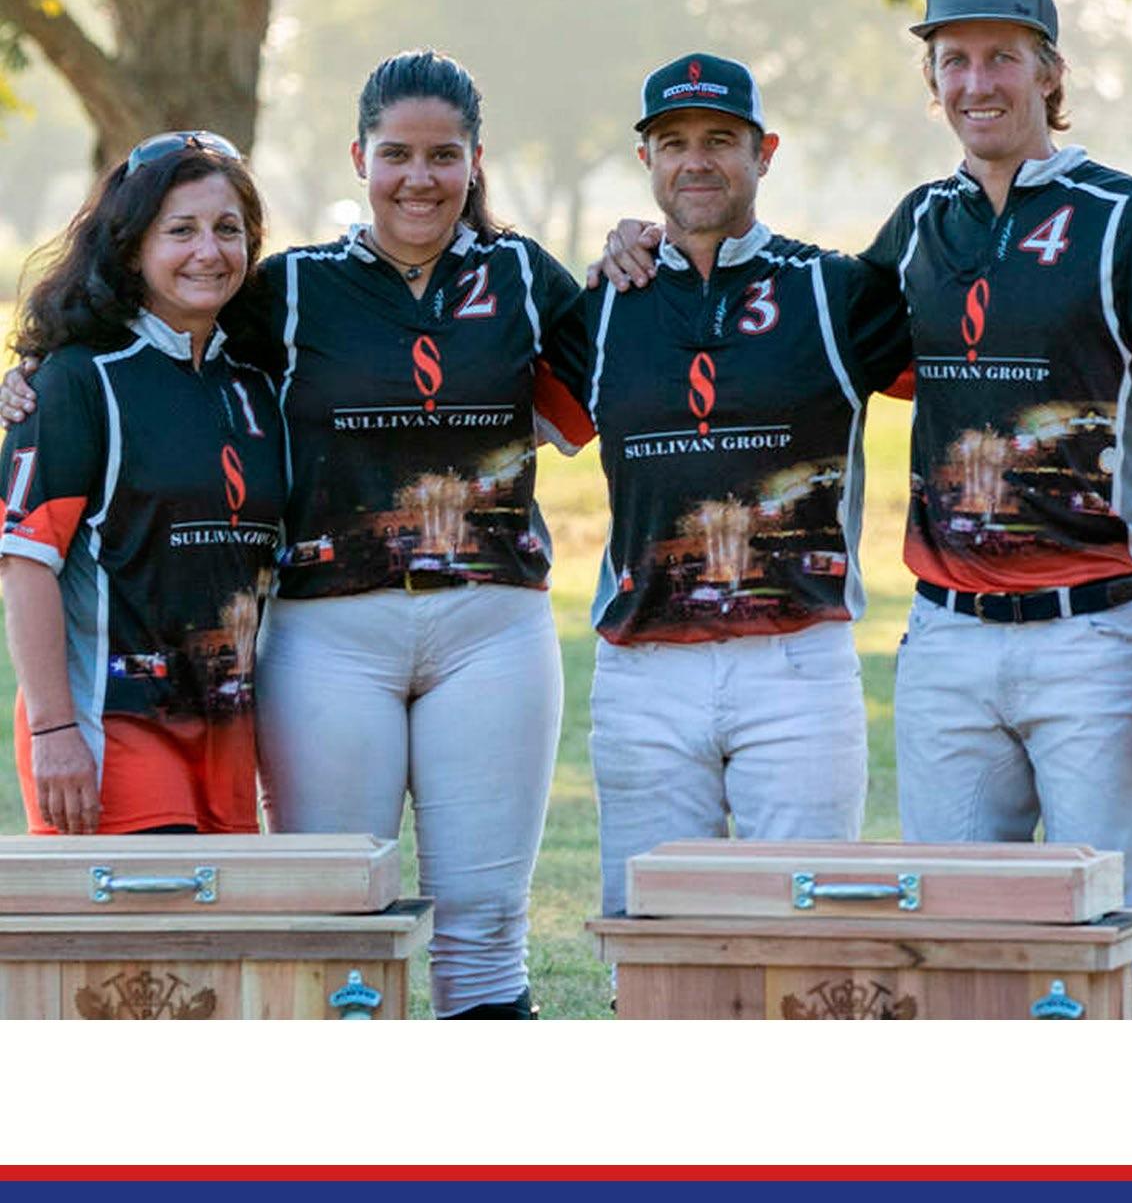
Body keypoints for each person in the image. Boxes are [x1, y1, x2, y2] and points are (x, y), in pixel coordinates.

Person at [3, 54, 592, 1019]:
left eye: (443, 155)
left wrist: (633, 253)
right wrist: (34, 377)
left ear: (476, 162)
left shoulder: (523, 276)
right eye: (396, 153)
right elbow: (137, 351)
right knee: (322, 923)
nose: (418, 177)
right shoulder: (286, 292)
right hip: (314, 644)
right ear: (359, 157)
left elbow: (639, 381)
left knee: (482, 924)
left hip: (481, 633)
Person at [860, 0, 1132, 1018]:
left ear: (1051, 72)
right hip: (945, 638)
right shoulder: (918, 224)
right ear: (932, 81)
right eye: (953, 60)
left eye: (1002, 57)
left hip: (1094, 637)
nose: (976, 81)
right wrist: (649, 245)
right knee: (951, 946)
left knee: (1097, 946)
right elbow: (801, 339)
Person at [584, 53, 908, 917]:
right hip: (643, 666)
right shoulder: (600, 303)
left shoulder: (836, 291)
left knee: (804, 935)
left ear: (765, 152)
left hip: (796, 661)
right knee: (652, 939)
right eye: (674, 142)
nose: (697, 161)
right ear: (646, 159)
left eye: (720, 139)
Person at [0, 132, 284, 837]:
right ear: (131, 249)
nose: (208, 251)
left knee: (222, 914)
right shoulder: (74, 381)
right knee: (157, 909)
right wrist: (53, 730)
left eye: (227, 230)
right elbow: (24, 564)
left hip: (226, 735)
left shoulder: (260, 381)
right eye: (180, 231)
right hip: (110, 729)